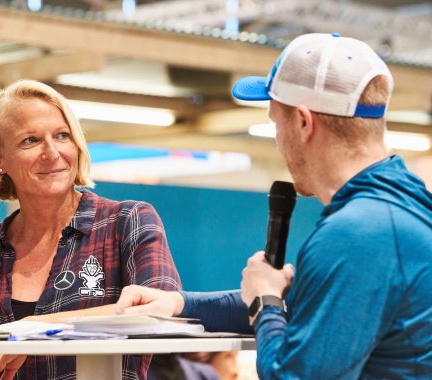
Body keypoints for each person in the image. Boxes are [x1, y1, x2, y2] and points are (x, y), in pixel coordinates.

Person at [115, 33, 432, 378]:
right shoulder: (402, 207)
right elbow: (309, 307)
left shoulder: (359, 233)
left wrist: (266, 303)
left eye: (275, 122)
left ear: (303, 122)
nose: (278, 141)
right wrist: (181, 304)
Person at [0, 79, 181, 379]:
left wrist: (33, 330)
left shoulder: (127, 223)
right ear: (0, 161)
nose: (51, 152)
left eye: (62, 136)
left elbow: (160, 309)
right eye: (30, 140)